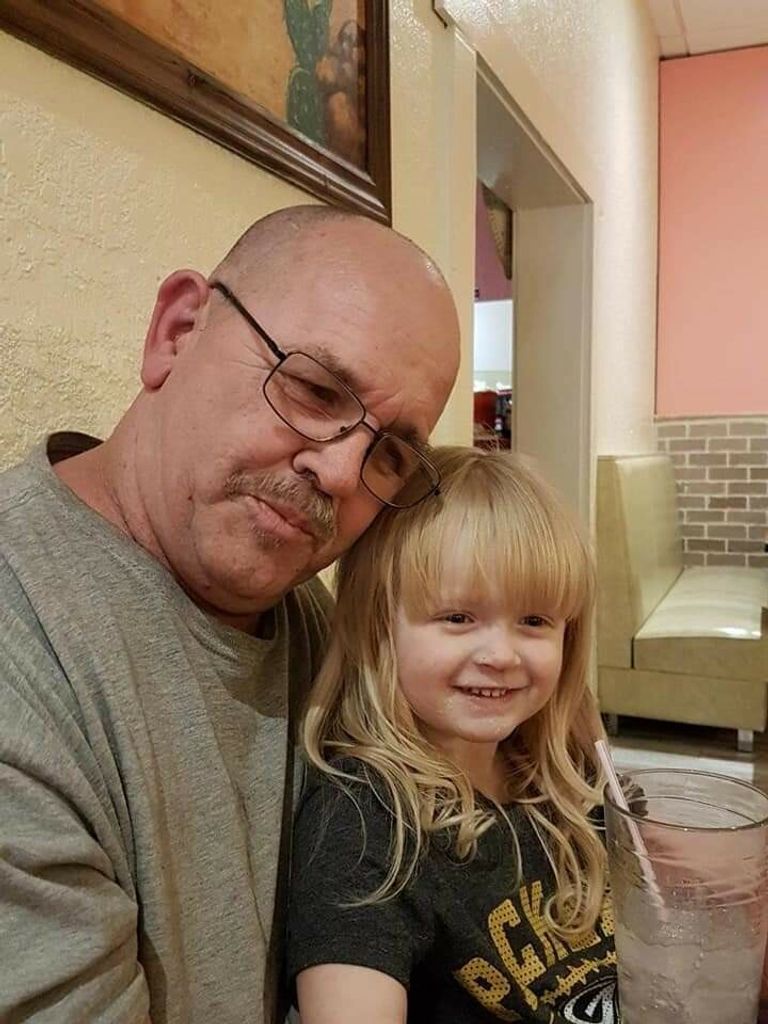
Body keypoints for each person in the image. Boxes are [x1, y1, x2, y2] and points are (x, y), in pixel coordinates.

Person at [0, 205, 460, 1023]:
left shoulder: (315, 623)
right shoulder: (26, 651)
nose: (341, 474)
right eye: (314, 389)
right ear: (176, 333)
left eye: (389, 453)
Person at [287, 446, 617, 1024]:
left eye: (534, 620)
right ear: (377, 625)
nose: (501, 655)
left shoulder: (572, 775)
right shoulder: (365, 824)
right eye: (458, 618)